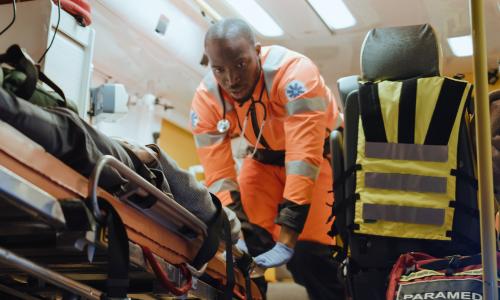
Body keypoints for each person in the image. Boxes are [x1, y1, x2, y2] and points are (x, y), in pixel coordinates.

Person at [190, 18, 344, 299]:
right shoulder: (206, 99)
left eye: (240, 64)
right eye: (219, 69)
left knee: (310, 257)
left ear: (257, 52)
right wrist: (234, 233)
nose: (231, 79)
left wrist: (287, 239)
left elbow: (303, 158)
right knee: (242, 248)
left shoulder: (296, 74)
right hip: (261, 162)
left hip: (316, 159)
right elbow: (219, 176)